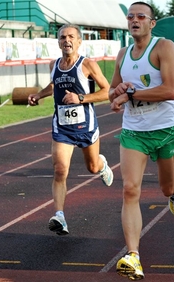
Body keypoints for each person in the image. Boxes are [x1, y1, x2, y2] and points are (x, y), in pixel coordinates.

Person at [109, 2, 174, 280]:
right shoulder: (122, 54)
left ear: (152, 23)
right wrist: (116, 93)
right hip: (134, 132)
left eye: (141, 16)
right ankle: (133, 256)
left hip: (164, 130)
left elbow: (171, 90)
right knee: (130, 189)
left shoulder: (164, 47)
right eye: (130, 16)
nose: (134, 20)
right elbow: (112, 91)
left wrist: (129, 96)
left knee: (166, 188)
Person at [28, 24, 114, 236]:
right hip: (62, 127)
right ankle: (60, 216)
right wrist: (39, 95)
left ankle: (102, 165)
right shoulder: (54, 64)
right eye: (62, 37)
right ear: (58, 42)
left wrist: (81, 98)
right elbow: (54, 85)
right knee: (59, 170)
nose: (66, 40)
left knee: (92, 167)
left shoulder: (87, 65)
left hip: (86, 126)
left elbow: (108, 92)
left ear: (78, 41)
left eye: (71, 37)